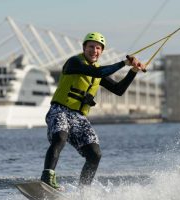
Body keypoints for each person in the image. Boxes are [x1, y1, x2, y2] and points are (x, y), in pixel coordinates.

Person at [40, 32, 146, 189]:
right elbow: (98, 72)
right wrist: (124, 63)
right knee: (60, 137)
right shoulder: (74, 62)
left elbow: (118, 90)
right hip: (59, 110)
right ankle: (47, 177)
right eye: (91, 47)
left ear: (101, 51)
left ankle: (83, 192)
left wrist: (133, 71)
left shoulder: (98, 72)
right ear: (84, 48)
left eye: (98, 48)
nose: (94, 51)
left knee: (95, 154)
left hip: (79, 117)